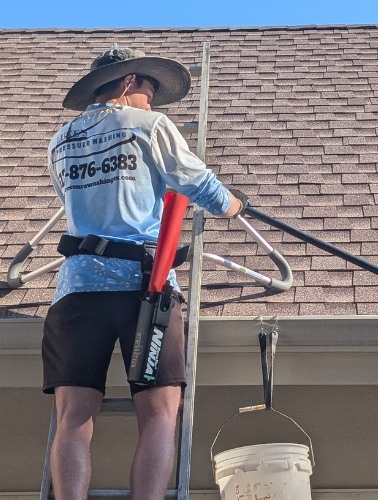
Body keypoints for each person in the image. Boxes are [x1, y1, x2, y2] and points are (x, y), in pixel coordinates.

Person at [43, 47, 246, 500]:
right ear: (129, 82)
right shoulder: (149, 127)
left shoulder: (59, 141)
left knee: (73, 416)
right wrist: (236, 206)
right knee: (159, 413)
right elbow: (199, 185)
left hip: (76, 290)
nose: (152, 104)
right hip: (144, 290)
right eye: (150, 92)